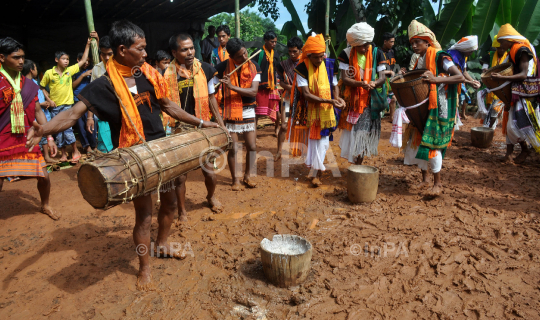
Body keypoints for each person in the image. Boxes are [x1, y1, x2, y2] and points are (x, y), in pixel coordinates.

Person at [25, 20, 219, 290]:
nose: (144, 53)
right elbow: (71, 114)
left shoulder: (148, 72)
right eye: (140, 48)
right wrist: (44, 128)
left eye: (145, 48)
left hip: (163, 149)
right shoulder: (103, 85)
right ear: (121, 49)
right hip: (134, 156)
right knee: (144, 216)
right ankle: (144, 267)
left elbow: (168, 105)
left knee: (172, 204)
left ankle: (162, 245)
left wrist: (200, 122)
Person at [163, 33, 226, 221]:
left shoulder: (205, 69)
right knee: (180, 176)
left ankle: (211, 196)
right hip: (178, 129)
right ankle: (182, 210)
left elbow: (211, 98)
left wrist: (221, 125)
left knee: (209, 171)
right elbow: (165, 105)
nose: (190, 52)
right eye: (184, 49)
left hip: (203, 127)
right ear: (174, 52)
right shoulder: (166, 75)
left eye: (191, 48)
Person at [402, 20, 465, 197]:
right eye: (412, 43)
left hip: (440, 106)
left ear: (427, 42)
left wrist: (436, 79)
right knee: (419, 140)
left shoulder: (440, 56)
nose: (414, 46)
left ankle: (438, 184)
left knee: (433, 142)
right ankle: (425, 180)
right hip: (424, 105)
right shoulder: (420, 59)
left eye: (418, 42)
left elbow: (459, 77)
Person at [0, 37, 59, 220]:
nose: (21, 62)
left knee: (44, 175)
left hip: (27, 136)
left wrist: (48, 137)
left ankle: (45, 205)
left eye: (22, 58)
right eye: (16, 57)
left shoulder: (28, 84)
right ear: (2, 58)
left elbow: (37, 110)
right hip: (2, 137)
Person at [289, 33, 345, 186]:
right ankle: (315, 171)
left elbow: (334, 85)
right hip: (311, 110)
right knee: (315, 141)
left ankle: (316, 173)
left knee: (322, 141)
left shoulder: (330, 64)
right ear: (308, 56)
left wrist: (337, 98)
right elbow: (306, 95)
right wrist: (330, 101)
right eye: (316, 57)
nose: (320, 60)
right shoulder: (301, 68)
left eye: (321, 56)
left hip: (328, 110)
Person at [40, 32, 96, 163]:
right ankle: (64, 154)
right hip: (55, 106)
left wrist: (87, 45)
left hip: (68, 105)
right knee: (58, 131)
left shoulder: (69, 71)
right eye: (64, 59)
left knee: (68, 129)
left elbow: (82, 61)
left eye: (67, 59)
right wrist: (49, 100)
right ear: (56, 60)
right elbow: (42, 87)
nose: (66, 61)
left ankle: (75, 151)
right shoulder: (49, 73)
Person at [214, 38, 261, 190]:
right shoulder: (221, 68)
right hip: (230, 111)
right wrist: (219, 86)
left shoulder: (255, 66)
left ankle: (248, 176)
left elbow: (253, 91)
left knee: (252, 146)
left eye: (245, 52)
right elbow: (212, 91)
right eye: (240, 56)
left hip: (248, 110)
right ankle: (235, 180)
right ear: (232, 57)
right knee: (233, 148)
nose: (245, 57)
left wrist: (231, 86)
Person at [338, 22, 388, 165]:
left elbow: (382, 78)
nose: (366, 48)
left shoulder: (377, 53)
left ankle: (358, 164)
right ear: (354, 44)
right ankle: (355, 163)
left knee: (363, 132)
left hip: (369, 101)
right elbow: (345, 78)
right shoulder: (346, 54)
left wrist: (374, 83)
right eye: (362, 45)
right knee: (352, 132)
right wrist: (360, 84)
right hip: (352, 101)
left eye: (367, 44)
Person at [492, 24, 540, 163]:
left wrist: (501, 78)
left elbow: (524, 74)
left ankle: (529, 151)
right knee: (513, 125)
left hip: (526, 93)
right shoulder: (513, 50)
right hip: (518, 92)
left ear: (509, 39)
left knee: (522, 125)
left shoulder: (522, 50)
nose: (501, 45)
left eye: (502, 42)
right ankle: (520, 152)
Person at [275, 36, 303, 161]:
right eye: (290, 51)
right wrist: (293, 88)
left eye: (295, 51)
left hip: (303, 99)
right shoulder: (283, 65)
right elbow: (281, 82)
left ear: (300, 50)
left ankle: (300, 150)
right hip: (287, 98)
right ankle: (279, 151)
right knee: (284, 125)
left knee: (301, 124)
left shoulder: (305, 62)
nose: (292, 54)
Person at [23, 59, 54, 163]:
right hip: (29, 121)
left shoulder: (35, 83)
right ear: (32, 70)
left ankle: (44, 158)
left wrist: (49, 137)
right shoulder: (22, 85)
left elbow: (38, 110)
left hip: (40, 116)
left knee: (42, 136)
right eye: (35, 67)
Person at [87, 35, 114, 154]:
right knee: (106, 149)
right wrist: (89, 117)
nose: (107, 57)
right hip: (104, 115)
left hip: (121, 113)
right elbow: (92, 95)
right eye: (104, 54)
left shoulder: (123, 67)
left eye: (110, 54)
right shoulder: (97, 69)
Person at [253, 31, 284, 132]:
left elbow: (278, 68)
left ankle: (276, 128)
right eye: (272, 42)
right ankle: (253, 132)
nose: (274, 44)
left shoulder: (275, 54)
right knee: (257, 112)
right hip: (261, 87)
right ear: (265, 41)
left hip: (272, 86)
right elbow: (251, 68)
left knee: (277, 110)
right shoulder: (258, 52)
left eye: (275, 42)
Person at [447, 35, 482, 119]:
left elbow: (464, 72)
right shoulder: (454, 56)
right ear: (465, 49)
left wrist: (473, 81)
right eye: (470, 51)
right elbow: (456, 76)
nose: (471, 54)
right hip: (448, 84)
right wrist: (470, 83)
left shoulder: (462, 56)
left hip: (456, 83)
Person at [478, 36, 508, 129]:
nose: (501, 50)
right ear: (496, 47)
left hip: (503, 86)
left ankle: (490, 127)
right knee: (488, 107)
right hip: (490, 85)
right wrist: (486, 71)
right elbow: (484, 70)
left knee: (495, 107)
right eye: (499, 48)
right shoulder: (489, 55)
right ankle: (489, 127)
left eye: (503, 48)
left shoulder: (508, 56)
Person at [72, 52, 96, 153]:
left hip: (88, 101)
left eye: (88, 61)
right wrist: (82, 76)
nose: (86, 63)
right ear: (78, 60)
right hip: (77, 101)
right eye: (85, 61)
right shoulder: (73, 71)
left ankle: (94, 145)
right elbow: (72, 86)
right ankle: (86, 146)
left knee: (91, 123)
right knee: (81, 126)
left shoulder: (92, 70)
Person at [380, 32, 397, 118]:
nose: (392, 44)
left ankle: (392, 117)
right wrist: (389, 72)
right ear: (385, 41)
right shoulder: (379, 52)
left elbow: (392, 65)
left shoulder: (392, 52)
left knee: (393, 98)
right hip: (381, 79)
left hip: (390, 79)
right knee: (382, 99)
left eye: (393, 42)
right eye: (391, 42)